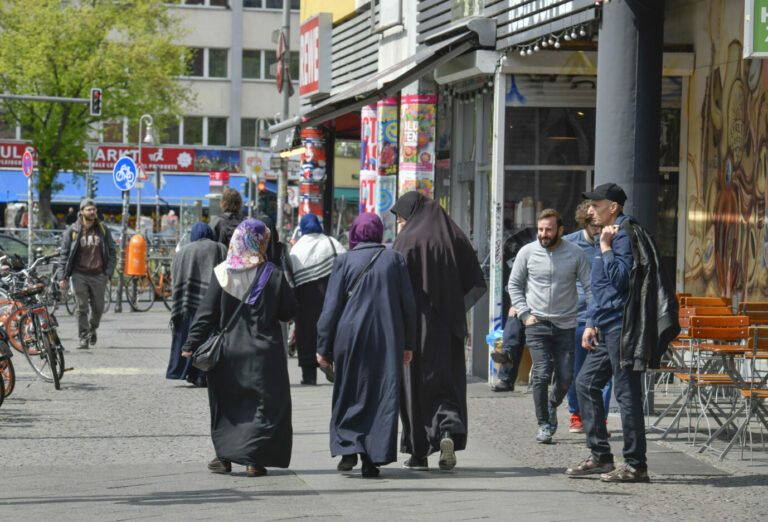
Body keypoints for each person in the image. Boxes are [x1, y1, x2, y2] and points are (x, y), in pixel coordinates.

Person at [566, 183, 679, 483]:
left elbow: (619, 282)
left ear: (612, 207)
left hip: (622, 327)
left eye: (596, 204)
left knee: (627, 396)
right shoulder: (608, 236)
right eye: (589, 205)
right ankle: (601, 456)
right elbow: (599, 288)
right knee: (586, 383)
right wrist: (591, 322)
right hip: (606, 326)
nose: (590, 210)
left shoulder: (622, 236)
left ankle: (635, 465)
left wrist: (604, 248)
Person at [182, 220, 297, 477]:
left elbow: (206, 314)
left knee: (229, 405)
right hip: (263, 354)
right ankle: (254, 461)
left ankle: (224, 458)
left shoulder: (223, 273)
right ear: (260, 242)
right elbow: (289, 310)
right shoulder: (273, 274)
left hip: (228, 353)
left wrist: (190, 345)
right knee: (262, 407)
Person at [316, 213, 417, 478]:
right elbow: (408, 306)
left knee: (349, 389)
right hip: (387, 337)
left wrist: (322, 346)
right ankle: (373, 459)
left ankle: (349, 447)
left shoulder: (343, 261)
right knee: (382, 395)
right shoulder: (395, 259)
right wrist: (409, 344)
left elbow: (330, 308)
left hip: (349, 337)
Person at [391, 191, 486, 471]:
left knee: (414, 385)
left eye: (400, 217)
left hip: (415, 328)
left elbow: (395, 283)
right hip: (448, 328)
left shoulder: (405, 240)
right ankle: (447, 431)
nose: (399, 223)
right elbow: (473, 280)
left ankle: (418, 452)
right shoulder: (455, 237)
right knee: (447, 382)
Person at [508, 209, 591, 444]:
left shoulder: (575, 253)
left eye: (549, 230)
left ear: (560, 230)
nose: (543, 234)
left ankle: (552, 404)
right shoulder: (527, 252)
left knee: (566, 378)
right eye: (541, 230)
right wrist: (525, 315)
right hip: (537, 323)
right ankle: (543, 423)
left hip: (566, 325)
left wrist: (592, 321)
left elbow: (590, 286)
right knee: (542, 373)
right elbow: (514, 284)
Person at [563, 201, 613, 433]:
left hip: (604, 316)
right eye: (592, 226)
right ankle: (577, 414)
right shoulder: (571, 244)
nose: (597, 230)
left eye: (599, 225)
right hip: (577, 316)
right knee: (576, 369)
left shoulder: (611, 240)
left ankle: (599, 418)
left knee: (605, 371)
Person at [166, 223, 227, 387]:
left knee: (187, 337)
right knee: (208, 337)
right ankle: (203, 373)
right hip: (212, 301)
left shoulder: (182, 252)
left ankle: (187, 372)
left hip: (187, 303)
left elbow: (174, 275)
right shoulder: (220, 248)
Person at [289, 214, 345, 385]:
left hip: (304, 302)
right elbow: (344, 264)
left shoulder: (296, 249)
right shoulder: (331, 242)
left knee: (306, 335)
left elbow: (292, 278)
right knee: (331, 331)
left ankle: (309, 376)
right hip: (330, 299)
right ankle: (330, 362)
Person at [57, 199, 117, 349]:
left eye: (94, 210)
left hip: (98, 275)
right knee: (81, 307)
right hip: (79, 274)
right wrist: (62, 276)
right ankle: (83, 337)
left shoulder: (103, 229)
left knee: (98, 308)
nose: (92, 212)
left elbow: (112, 252)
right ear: (82, 211)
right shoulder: (73, 230)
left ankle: (92, 328)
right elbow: (64, 255)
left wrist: (108, 273)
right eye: (89, 210)